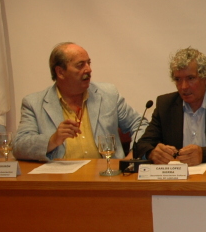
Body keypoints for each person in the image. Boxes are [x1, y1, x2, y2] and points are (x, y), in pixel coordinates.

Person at [14, 42, 143, 161]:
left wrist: (133, 155)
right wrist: (53, 140)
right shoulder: (34, 103)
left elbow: (140, 124)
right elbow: (19, 146)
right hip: (60, 176)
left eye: (89, 63)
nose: (88, 69)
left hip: (105, 173)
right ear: (60, 72)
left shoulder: (108, 94)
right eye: (80, 65)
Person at [134, 47, 206, 165]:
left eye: (190, 78)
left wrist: (204, 154)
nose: (184, 87)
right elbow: (142, 145)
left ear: (205, 78)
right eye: (178, 79)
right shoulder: (165, 105)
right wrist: (152, 153)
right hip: (177, 176)